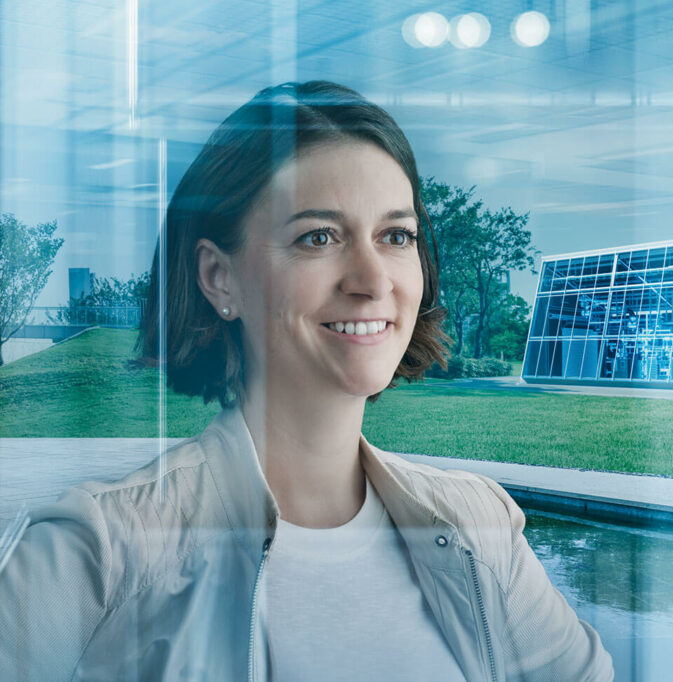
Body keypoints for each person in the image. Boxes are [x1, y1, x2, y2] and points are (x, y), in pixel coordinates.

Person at [0, 81, 612, 680]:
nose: (374, 281)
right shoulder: (97, 555)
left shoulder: (479, 526)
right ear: (218, 278)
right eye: (318, 237)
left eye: (396, 236)